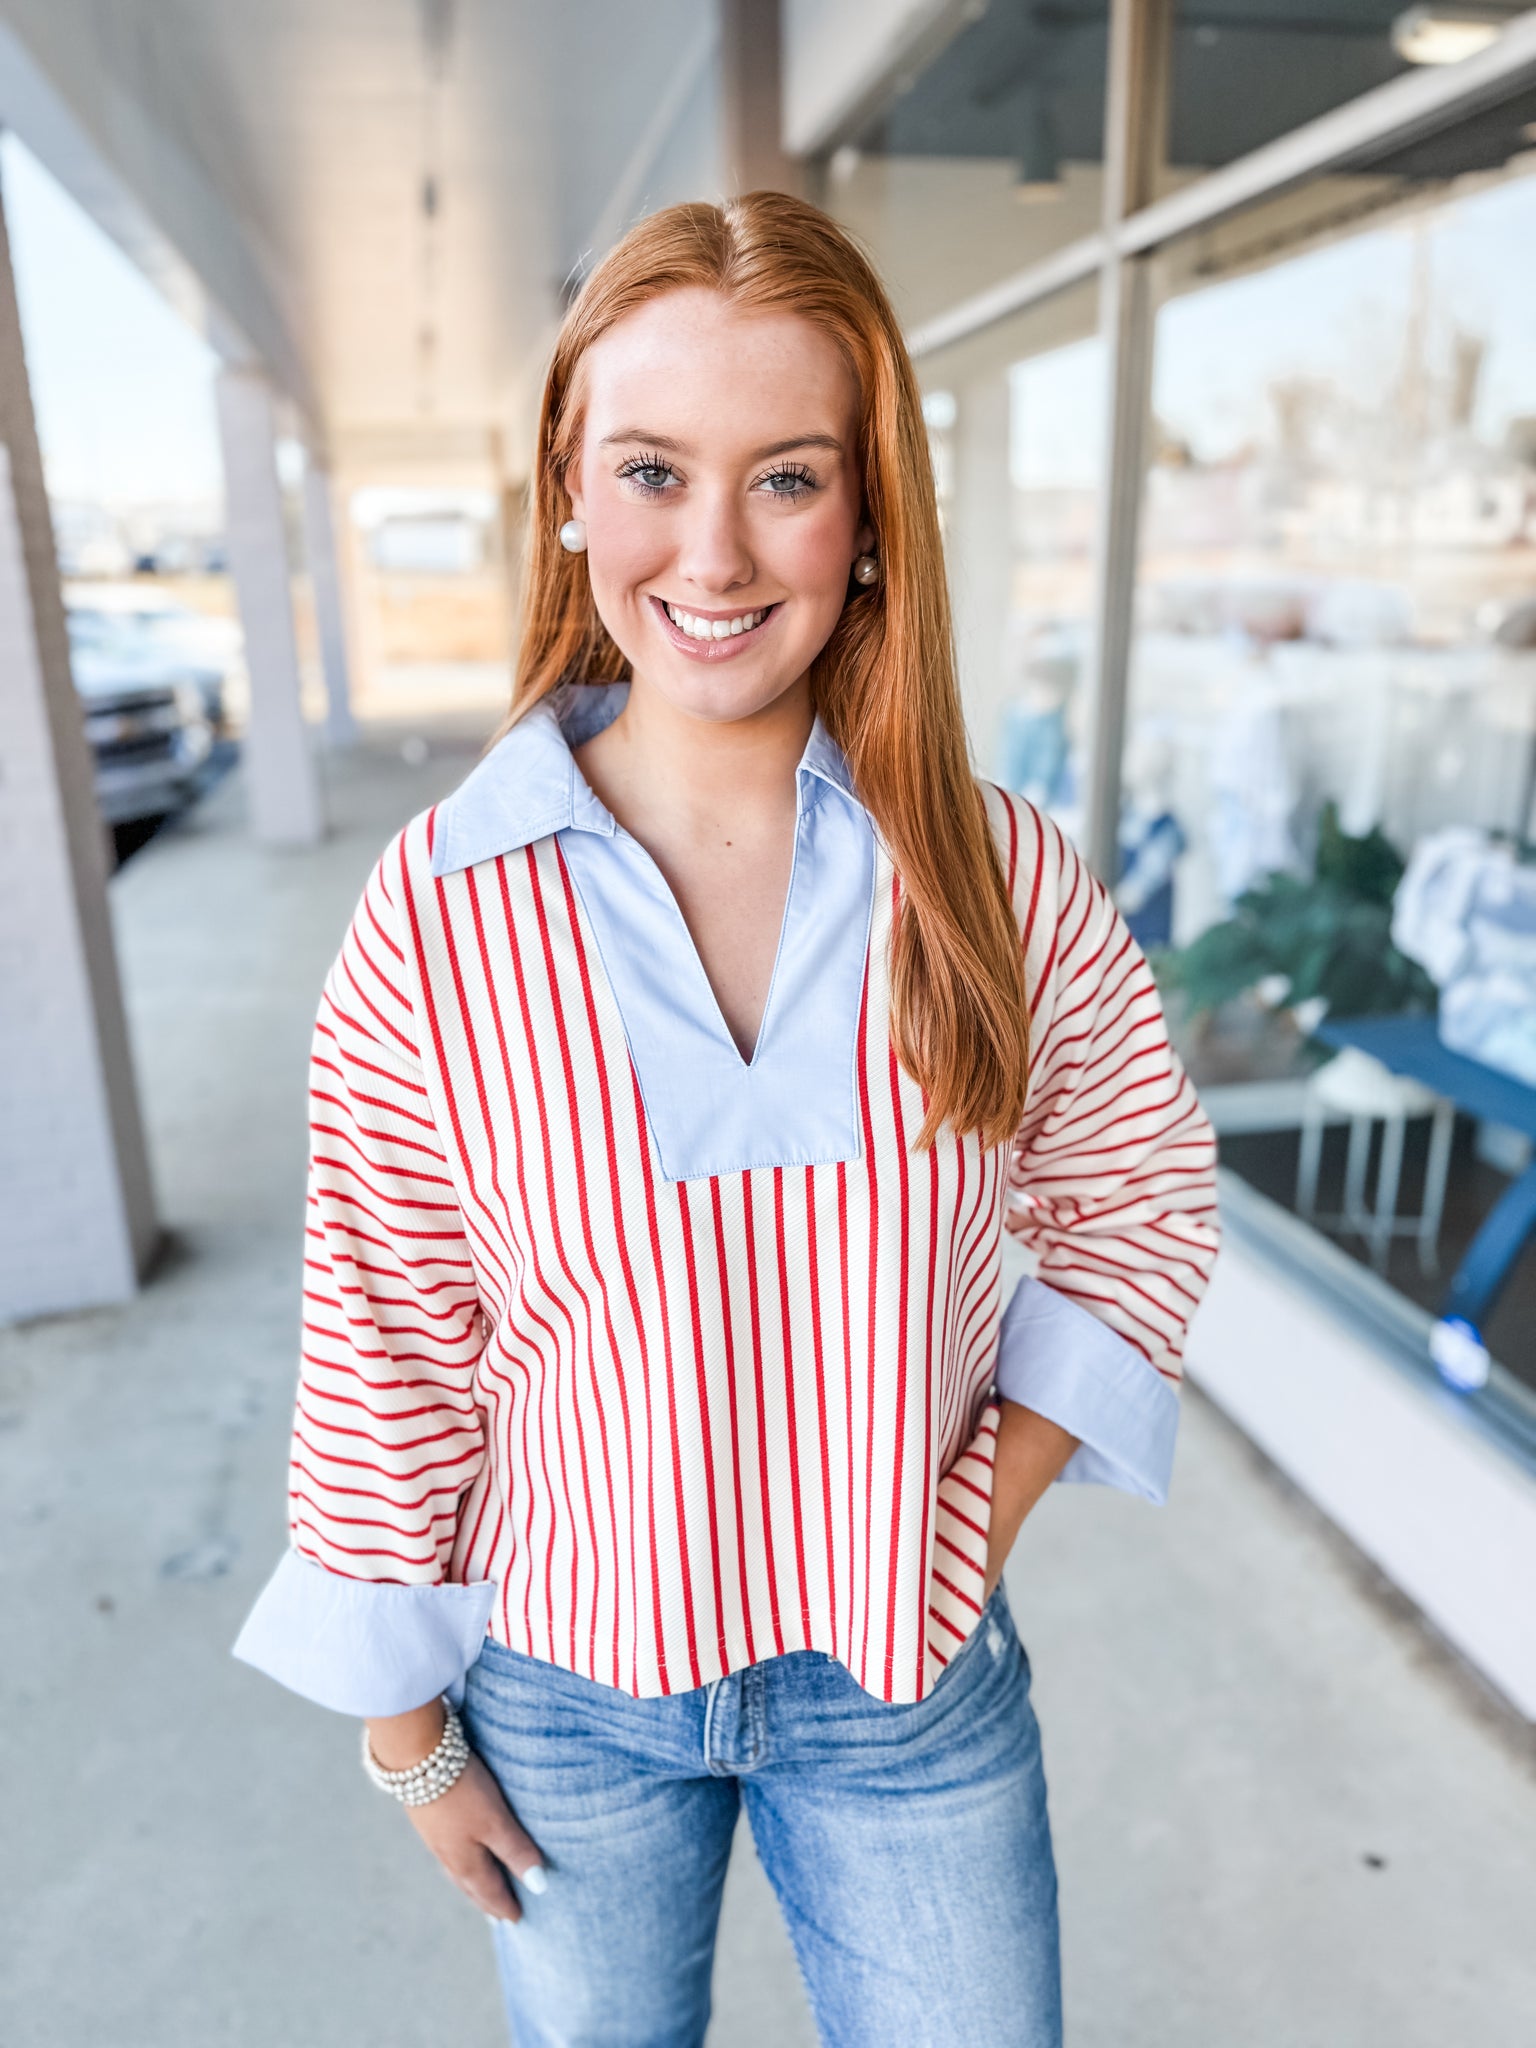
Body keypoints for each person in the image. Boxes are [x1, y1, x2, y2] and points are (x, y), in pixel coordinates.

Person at [233, 190, 1220, 2048]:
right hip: (564, 1699)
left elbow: (1141, 1196)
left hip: (908, 1694)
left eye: (787, 476)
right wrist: (405, 1737)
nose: (713, 546)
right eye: (652, 468)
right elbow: (387, 1337)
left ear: (866, 519)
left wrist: (974, 1525)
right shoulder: (444, 905)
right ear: (568, 491)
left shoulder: (989, 874)